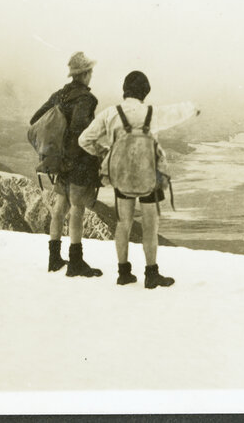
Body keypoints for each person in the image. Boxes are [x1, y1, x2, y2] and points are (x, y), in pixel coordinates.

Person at [78, 70, 198, 289]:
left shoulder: (110, 113)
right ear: (145, 92)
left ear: (125, 90)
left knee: (123, 223)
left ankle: (124, 273)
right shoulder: (151, 113)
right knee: (150, 226)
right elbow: (176, 112)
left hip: (121, 176)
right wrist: (193, 108)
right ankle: (151, 274)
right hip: (149, 175)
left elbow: (84, 140)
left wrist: (105, 153)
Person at [30, 51, 103, 278]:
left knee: (60, 207)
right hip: (79, 162)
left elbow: (36, 119)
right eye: (90, 71)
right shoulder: (86, 99)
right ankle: (76, 262)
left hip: (60, 161)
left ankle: (54, 258)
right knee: (77, 209)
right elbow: (80, 130)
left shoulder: (59, 95)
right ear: (86, 74)